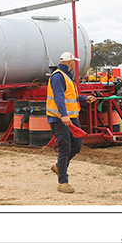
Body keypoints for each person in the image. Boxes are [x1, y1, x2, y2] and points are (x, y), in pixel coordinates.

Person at [47, 51, 97, 193]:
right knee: (65, 147)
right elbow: (58, 98)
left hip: (71, 117)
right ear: (69, 62)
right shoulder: (58, 76)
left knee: (76, 145)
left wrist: (84, 98)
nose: (75, 64)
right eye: (74, 62)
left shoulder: (67, 77)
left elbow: (71, 97)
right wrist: (63, 116)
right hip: (59, 118)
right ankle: (63, 182)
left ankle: (59, 167)